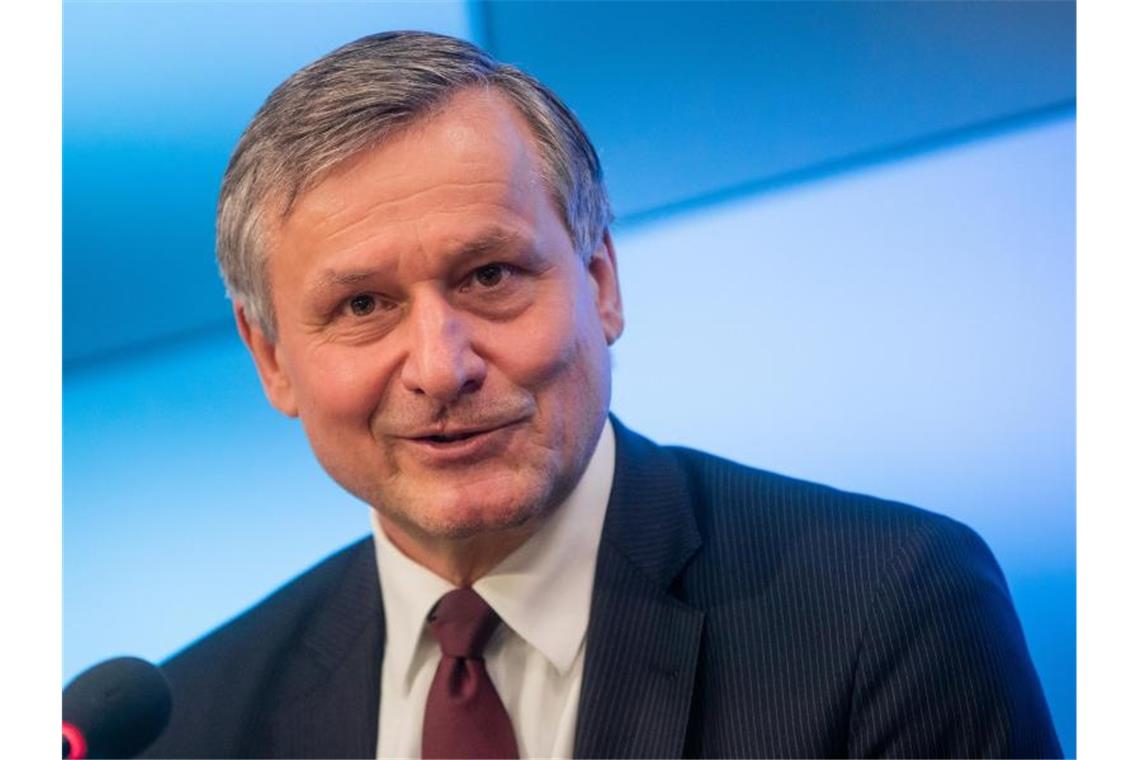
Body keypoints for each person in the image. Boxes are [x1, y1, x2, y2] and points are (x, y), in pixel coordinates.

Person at [142, 31, 1061, 759]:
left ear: (601, 280)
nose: (442, 365)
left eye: (491, 275)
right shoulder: (185, 729)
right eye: (363, 305)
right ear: (269, 358)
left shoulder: (889, 614)